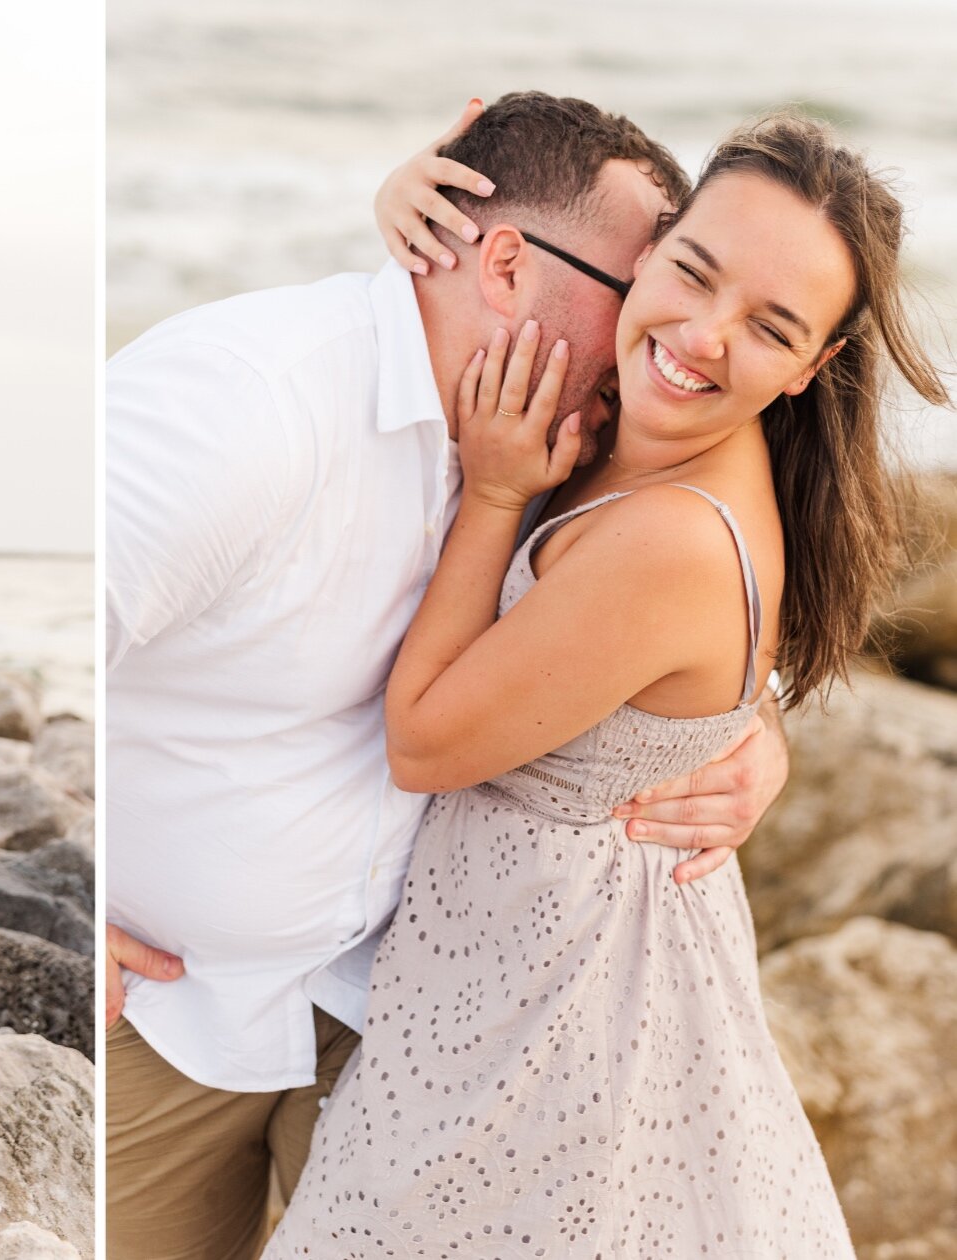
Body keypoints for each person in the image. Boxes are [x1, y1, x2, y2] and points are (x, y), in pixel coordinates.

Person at [104, 93, 795, 1260]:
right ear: (509, 262)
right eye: (642, 293)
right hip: (169, 1018)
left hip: (410, 1011)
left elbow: (651, 589)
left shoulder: (557, 426)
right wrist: (66, 903)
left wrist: (746, 730)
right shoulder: (236, 410)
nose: (660, 341)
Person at [265, 110, 948, 1257]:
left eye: (770, 327)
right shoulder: (622, 428)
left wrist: (490, 497)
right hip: (511, 973)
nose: (702, 335)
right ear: (648, 247)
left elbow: (425, 741)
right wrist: (408, 206)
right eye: (691, 270)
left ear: (808, 369)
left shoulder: (669, 534)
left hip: (560, 1012)